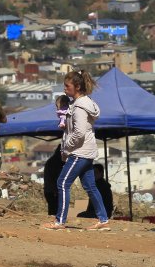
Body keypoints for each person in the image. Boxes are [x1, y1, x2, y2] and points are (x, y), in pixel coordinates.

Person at [43, 70, 110, 231]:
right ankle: (103, 219)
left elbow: (78, 133)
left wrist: (67, 147)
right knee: (90, 185)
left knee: (63, 183)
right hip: (87, 151)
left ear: (77, 86)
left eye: (67, 86)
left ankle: (59, 221)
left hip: (79, 152)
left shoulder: (79, 107)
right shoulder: (86, 103)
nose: (65, 89)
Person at [43, 144, 62, 216]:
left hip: (50, 190)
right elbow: (54, 178)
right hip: (53, 191)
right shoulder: (55, 162)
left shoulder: (54, 161)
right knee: (54, 211)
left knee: (53, 210)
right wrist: (55, 190)